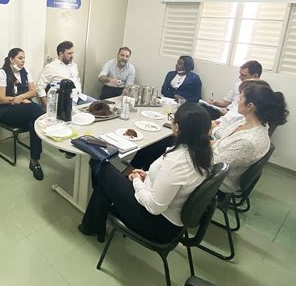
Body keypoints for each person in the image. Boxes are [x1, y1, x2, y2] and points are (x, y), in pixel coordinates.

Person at [78, 103, 213, 243]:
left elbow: (154, 207)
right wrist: (147, 176)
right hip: (168, 216)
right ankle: (91, 225)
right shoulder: (202, 153)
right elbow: (175, 183)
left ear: (177, 127)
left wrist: (137, 180)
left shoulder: (177, 161)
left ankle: (91, 225)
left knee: (100, 164)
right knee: (109, 180)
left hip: (155, 225)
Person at [212, 84, 289, 193]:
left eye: (240, 99)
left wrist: (199, 146)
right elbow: (226, 139)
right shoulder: (246, 122)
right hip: (215, 163)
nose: (237, 102)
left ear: (250, 106)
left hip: (218, 183)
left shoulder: (249, 142)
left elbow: (216, 165)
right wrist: (213, 132)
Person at [0, 48, 44, 181]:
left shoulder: (26, 72)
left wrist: (19, 98)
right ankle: (53, 130)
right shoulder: (2, 73)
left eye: (24, 58)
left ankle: (34, 161)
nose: (23, 61)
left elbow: (33, 92)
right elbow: (1, 99)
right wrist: (18, 100)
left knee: (35, 122)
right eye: (20, 58)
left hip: (24, 110)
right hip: (7, 112)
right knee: (36, 110)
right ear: (11, 59)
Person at [36, 41, 96, 107]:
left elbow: (77, 81)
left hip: (79, 97)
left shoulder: (74, 65)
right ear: (61, 54)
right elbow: (40, 87)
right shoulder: (51, 67)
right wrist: (48, 107)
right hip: (65, 100)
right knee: (73, 114)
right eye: (69, 53)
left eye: (73, 53)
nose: (72, 56)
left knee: (100, 105)